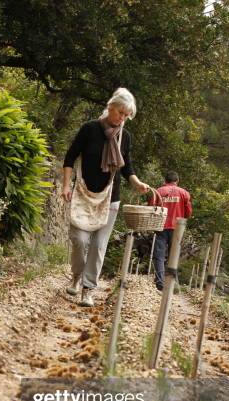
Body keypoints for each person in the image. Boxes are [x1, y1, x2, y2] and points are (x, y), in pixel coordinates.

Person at [62, 87, 149, 307]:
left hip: (110, 198)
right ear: (111, 107)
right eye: (121, 113)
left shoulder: (125, 138)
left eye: (127, 115)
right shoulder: (89, 129)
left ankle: (88, 289)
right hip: (83, 194)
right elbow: (70, 157)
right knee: (80, 241)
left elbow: (127, 167)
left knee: (99, 245)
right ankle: (76, 275)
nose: (123, 118)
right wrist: (65, 185)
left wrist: (137, 183)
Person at [150, 171, 192, 291]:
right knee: (173, 255)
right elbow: (188, 212)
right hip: (177, 228)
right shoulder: (184, 193)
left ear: (165, 180)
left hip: (161, 226)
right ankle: (170, 282)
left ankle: (160, 282)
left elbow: (151, 207)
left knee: (159, 255)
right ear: (177, 181)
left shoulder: (158, 192)